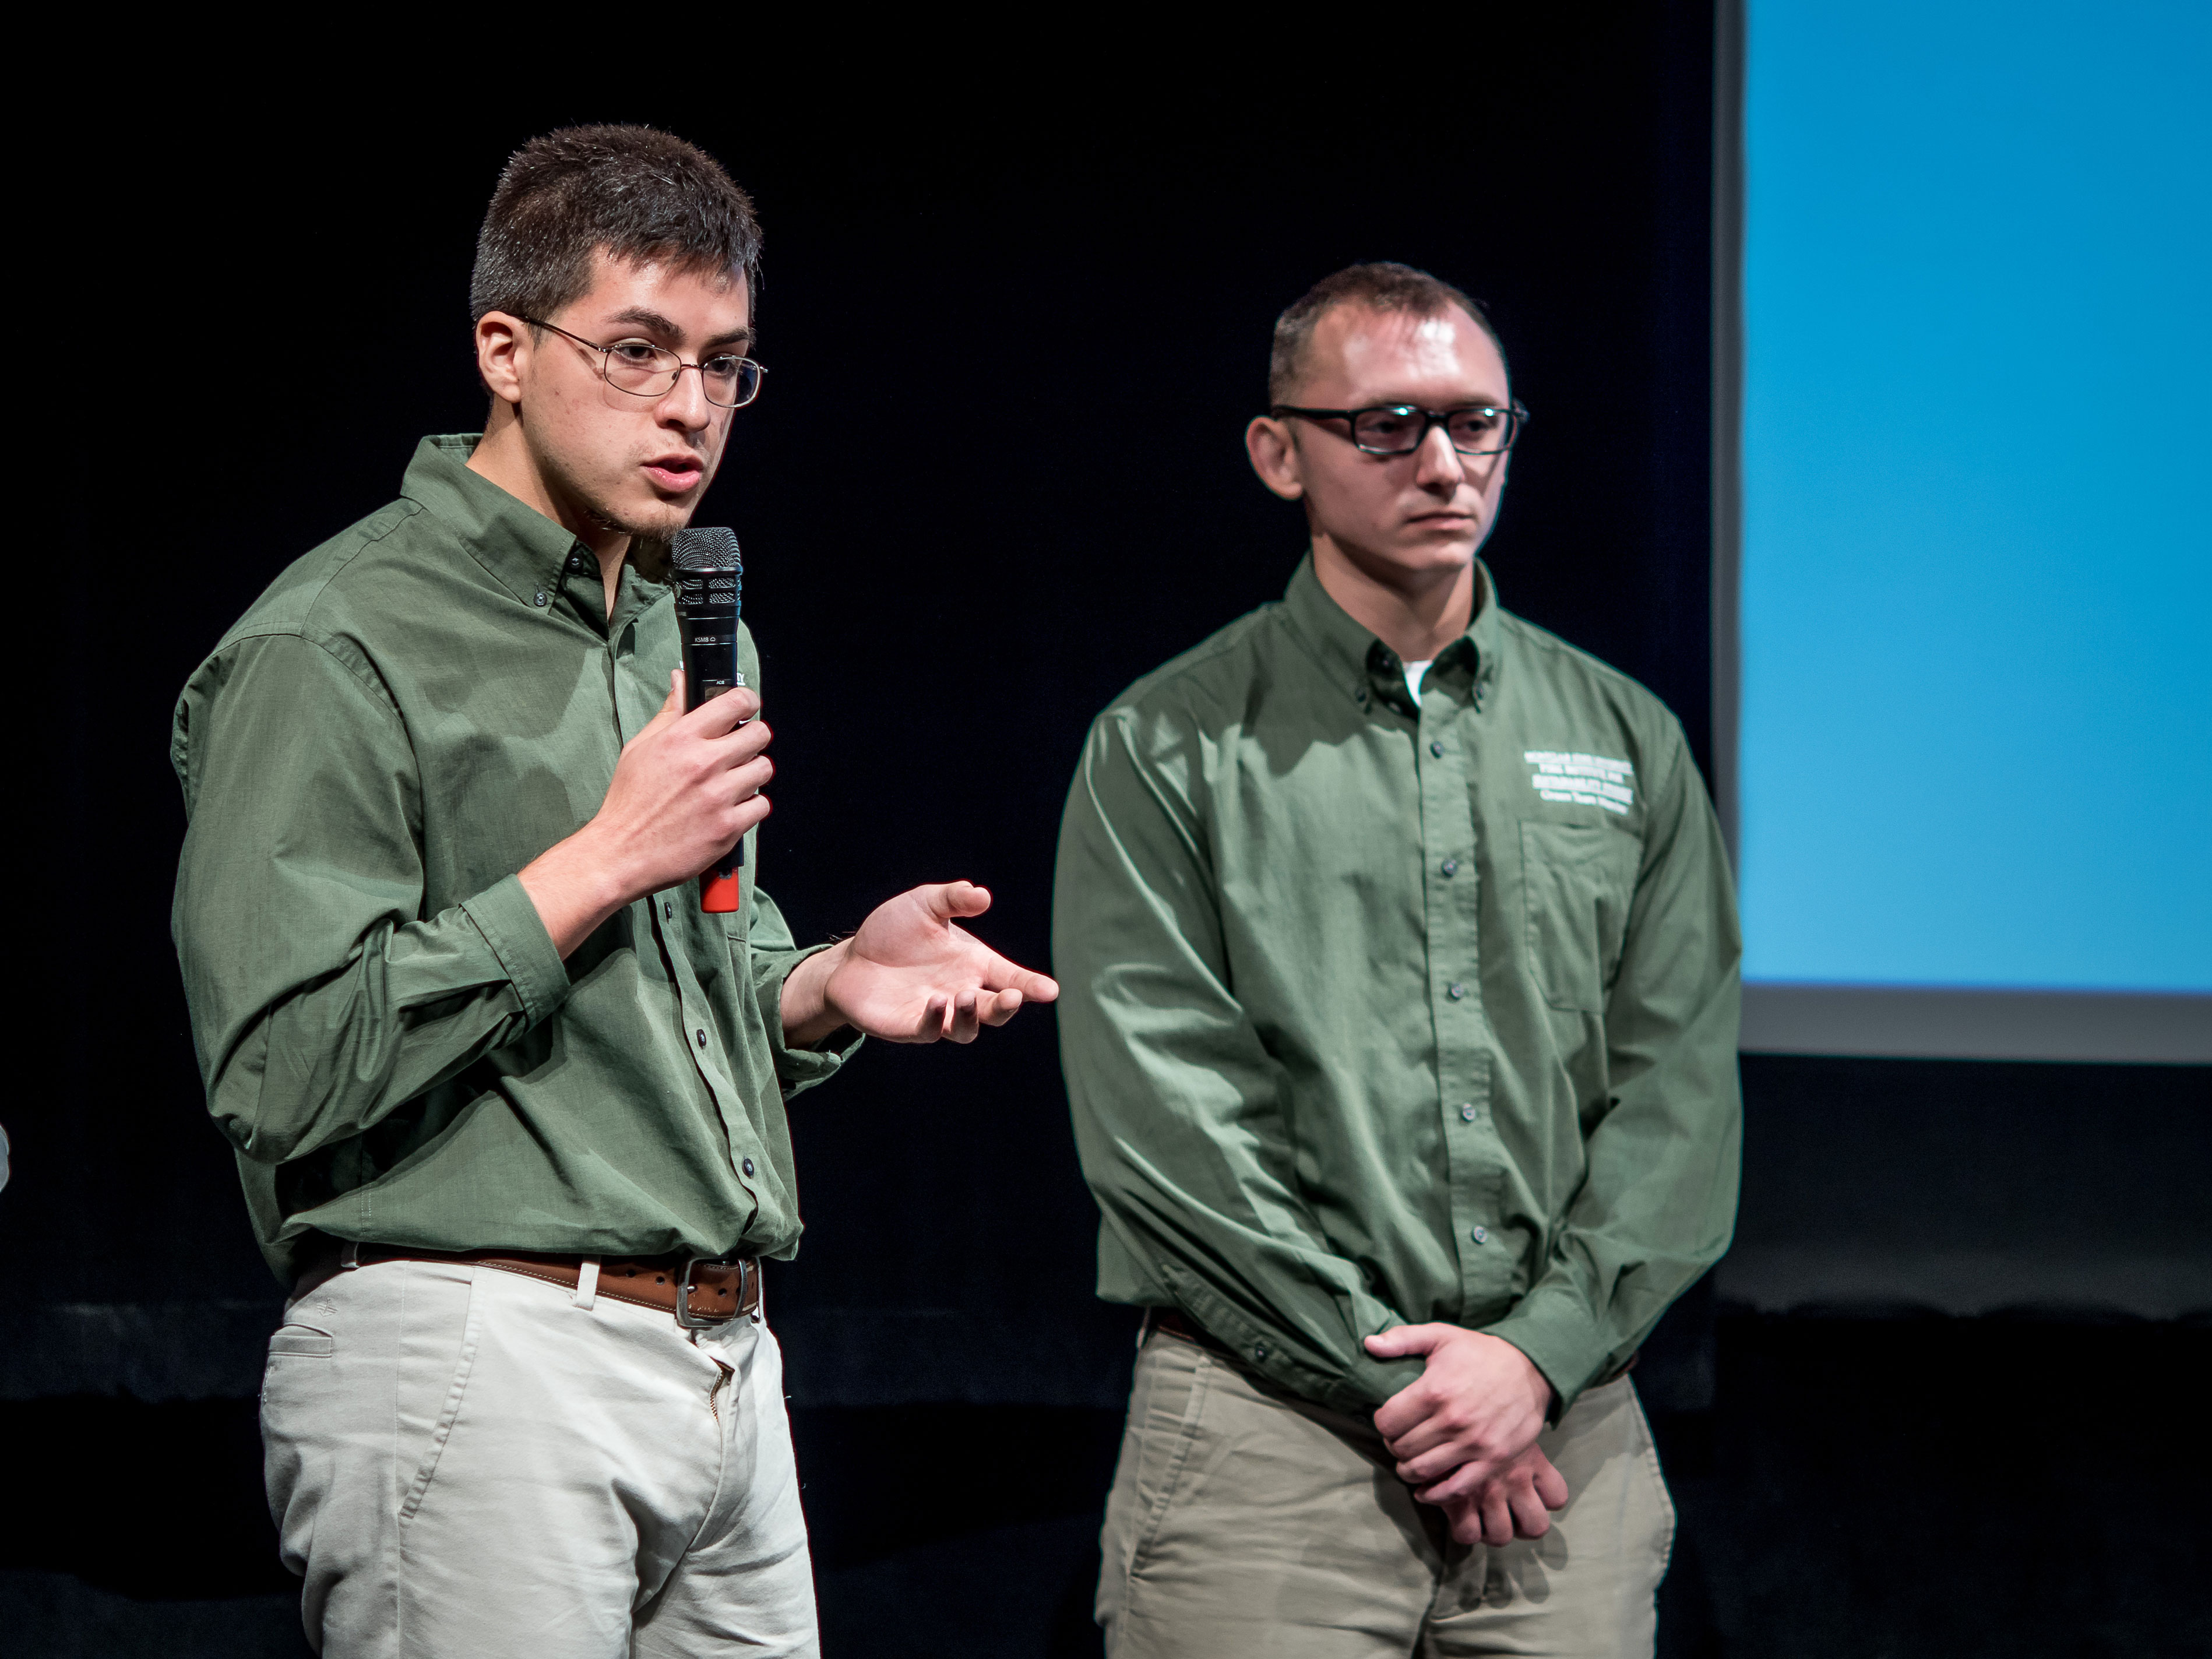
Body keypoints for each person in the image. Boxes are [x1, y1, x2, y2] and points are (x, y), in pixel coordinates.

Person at [171, 125, 1055, 1659]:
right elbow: (279, 1072)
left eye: (727, 364)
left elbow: (663, 998)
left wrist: (826, 977)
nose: (692, 407)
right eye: (640, 351)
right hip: (474, 1347)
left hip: (717, 1358)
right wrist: (599, 858)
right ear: (504, 350)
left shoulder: (683, 619)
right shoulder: (335, 642)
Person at [1054, 262, 1740, 1657]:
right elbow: (1169, 1121)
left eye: (1476, 424)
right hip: (1268, 1430)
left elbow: (1678, 1093)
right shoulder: (1167, 742)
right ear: (1277, 451)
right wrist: (1424, 1388)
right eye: (1388, 425)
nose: (1443, 462)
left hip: (1562, 1433)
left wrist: (1531, 1358)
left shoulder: (1623, 738)